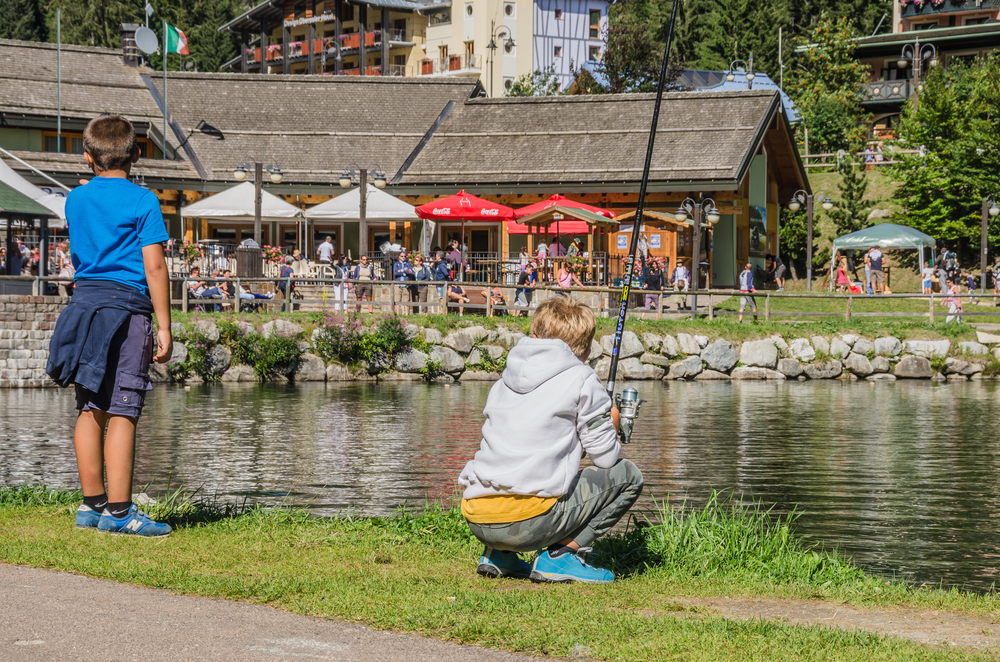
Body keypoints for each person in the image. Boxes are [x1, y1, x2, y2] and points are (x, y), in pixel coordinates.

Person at [45, 113, 172, 537]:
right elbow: (154, 266)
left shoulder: (75, 200)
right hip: (126, 311)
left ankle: (91, 504)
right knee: (123, 409)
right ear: (137, 154)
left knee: (90, 406)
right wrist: (166, 326)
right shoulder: (144, 200)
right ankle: (120, 513)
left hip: (83, 309)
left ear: (87, 158)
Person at [458, 296, 641, 584]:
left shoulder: (505, 378)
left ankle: (498, 555)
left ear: (534, 333)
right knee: (629, 476)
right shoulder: (582, 378)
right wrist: (612, 423)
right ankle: (560, 557)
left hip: (477, 516)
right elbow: (605, 459)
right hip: (525, 522)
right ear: (586, 348)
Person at [392, 251, 414, 315]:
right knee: (397, 300)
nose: (403, 257)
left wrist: (401, 271)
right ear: (399, 257)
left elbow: (410, 271)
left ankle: (406, 314)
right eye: (402, 256)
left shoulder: (408, 264)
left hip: (405, 284)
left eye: (404, 256)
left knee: (406, 300)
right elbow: (395, 273)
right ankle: (397, 314)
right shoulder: (396, 264)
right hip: (398, 284)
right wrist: (405, 272)